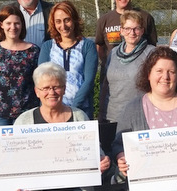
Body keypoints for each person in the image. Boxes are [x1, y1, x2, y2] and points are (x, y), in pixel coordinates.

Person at [111, 46, 177, 183]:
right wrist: (121, 156)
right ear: (148, 74)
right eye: (159, 71)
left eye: (171, 72)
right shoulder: (133, 108)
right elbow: (119, 144)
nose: (165, 77)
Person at [14, 62, 111, 190]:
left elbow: (95, 153)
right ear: (37, 91)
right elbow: (14, 162)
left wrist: (102, 161)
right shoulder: (24, 121)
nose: (51, 92)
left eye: (56, 87)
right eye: (46, 88)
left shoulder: (80, 117)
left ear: (64, 89)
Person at [38, 1, 97, 119]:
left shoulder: (87, 46)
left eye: (67, 20)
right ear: (53, 24)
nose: (63, 26)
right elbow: (42, 80)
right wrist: (57, 108)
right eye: (58, 21)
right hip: (52, 112)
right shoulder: (48, 47)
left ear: (74, 20)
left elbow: (88, 81)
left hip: (81, 111)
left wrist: (73, 109)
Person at [95, 0, 158, 85]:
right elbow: (99, 47)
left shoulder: (146, 18)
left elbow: (153, 49)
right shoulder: (104, 20)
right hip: (112, 79)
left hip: (139, 80)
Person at [0, 4, 40, 126]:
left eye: (17, 23)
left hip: (27, 112)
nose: (13, 27)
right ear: (1, 25)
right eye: (8, 23)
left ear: (22, 25)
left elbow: (39, 82)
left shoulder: (34, 51)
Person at [98, 10, 155, 123]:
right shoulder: (113, 53)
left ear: (142, 31)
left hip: (139, 117)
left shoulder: (151, 53)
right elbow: (106, 85)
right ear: (122, 31)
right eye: (127, 29)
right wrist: (101, 112)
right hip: (111, 117)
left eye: (136, 28)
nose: (132, 32)